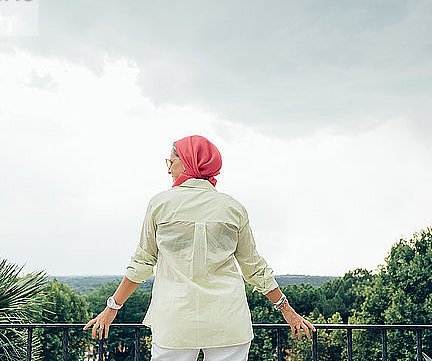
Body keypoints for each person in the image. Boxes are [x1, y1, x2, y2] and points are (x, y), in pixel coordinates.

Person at [84, 135, 315, 360]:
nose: (168, 169)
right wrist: (287, 311)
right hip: (228, 323)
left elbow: (142, 264)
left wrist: (112, 308)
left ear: (186, 162)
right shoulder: (233, 208)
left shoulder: (160, 204)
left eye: (171, 161)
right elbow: (253, 268)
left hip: (175, 322)